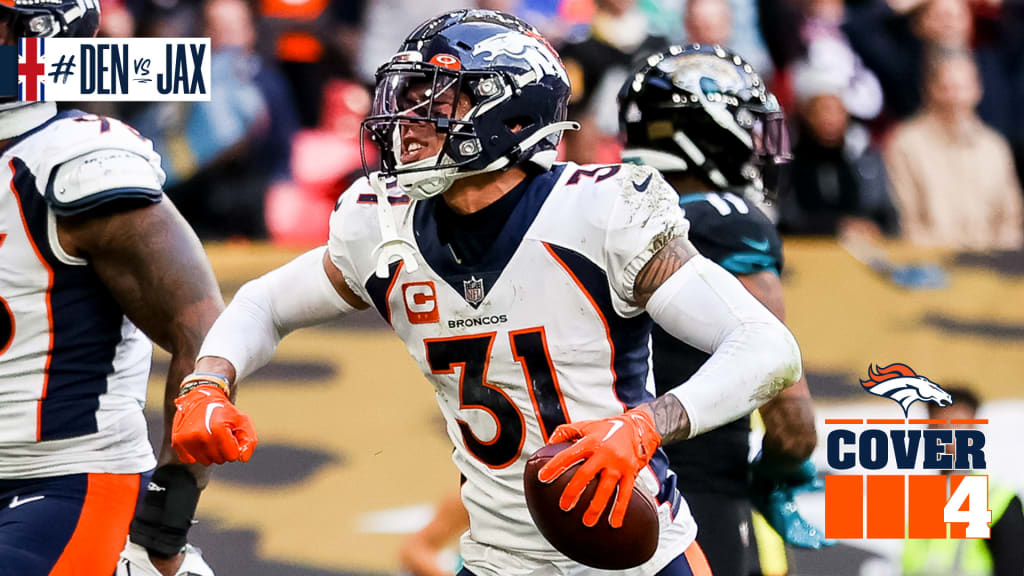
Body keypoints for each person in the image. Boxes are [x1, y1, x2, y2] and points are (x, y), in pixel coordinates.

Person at [170, 9, 802, 576]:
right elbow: (263, 304)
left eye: (435, 101)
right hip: (497, 559)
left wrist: (643, 428)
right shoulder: (380, 225)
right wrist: (208, 382)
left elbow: (766, 347)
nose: (409, 120)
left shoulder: (599, 211)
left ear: (510, 111)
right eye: (408, 97)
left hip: (637, 556)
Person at [0, 3, 224, 576]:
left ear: (33, 31)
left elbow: (204, 332)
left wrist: (163, 525)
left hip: (61, 480)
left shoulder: (72, 159)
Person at [618, 45, 824, 576]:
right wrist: (782, 464)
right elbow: (787, 406)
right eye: (747, 124)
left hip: (596, 487)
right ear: (707, 128)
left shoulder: (596, 213)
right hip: (693, 497)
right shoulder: (727, 219)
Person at [884, 49, 1023, 250]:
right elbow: (905, 224)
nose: (955, 97)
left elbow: (1012, 221)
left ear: (978, 90)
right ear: (929, 90)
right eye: (946, 87)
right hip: (931, 267)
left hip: (992, 268)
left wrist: (997, 254)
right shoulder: (906, 144)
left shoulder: (995, 147)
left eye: (963, 87)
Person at [902, 387, 1024, 576]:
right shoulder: (922, 501)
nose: (946, 434)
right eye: (938, 425)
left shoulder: (995, 498)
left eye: (957, 425)